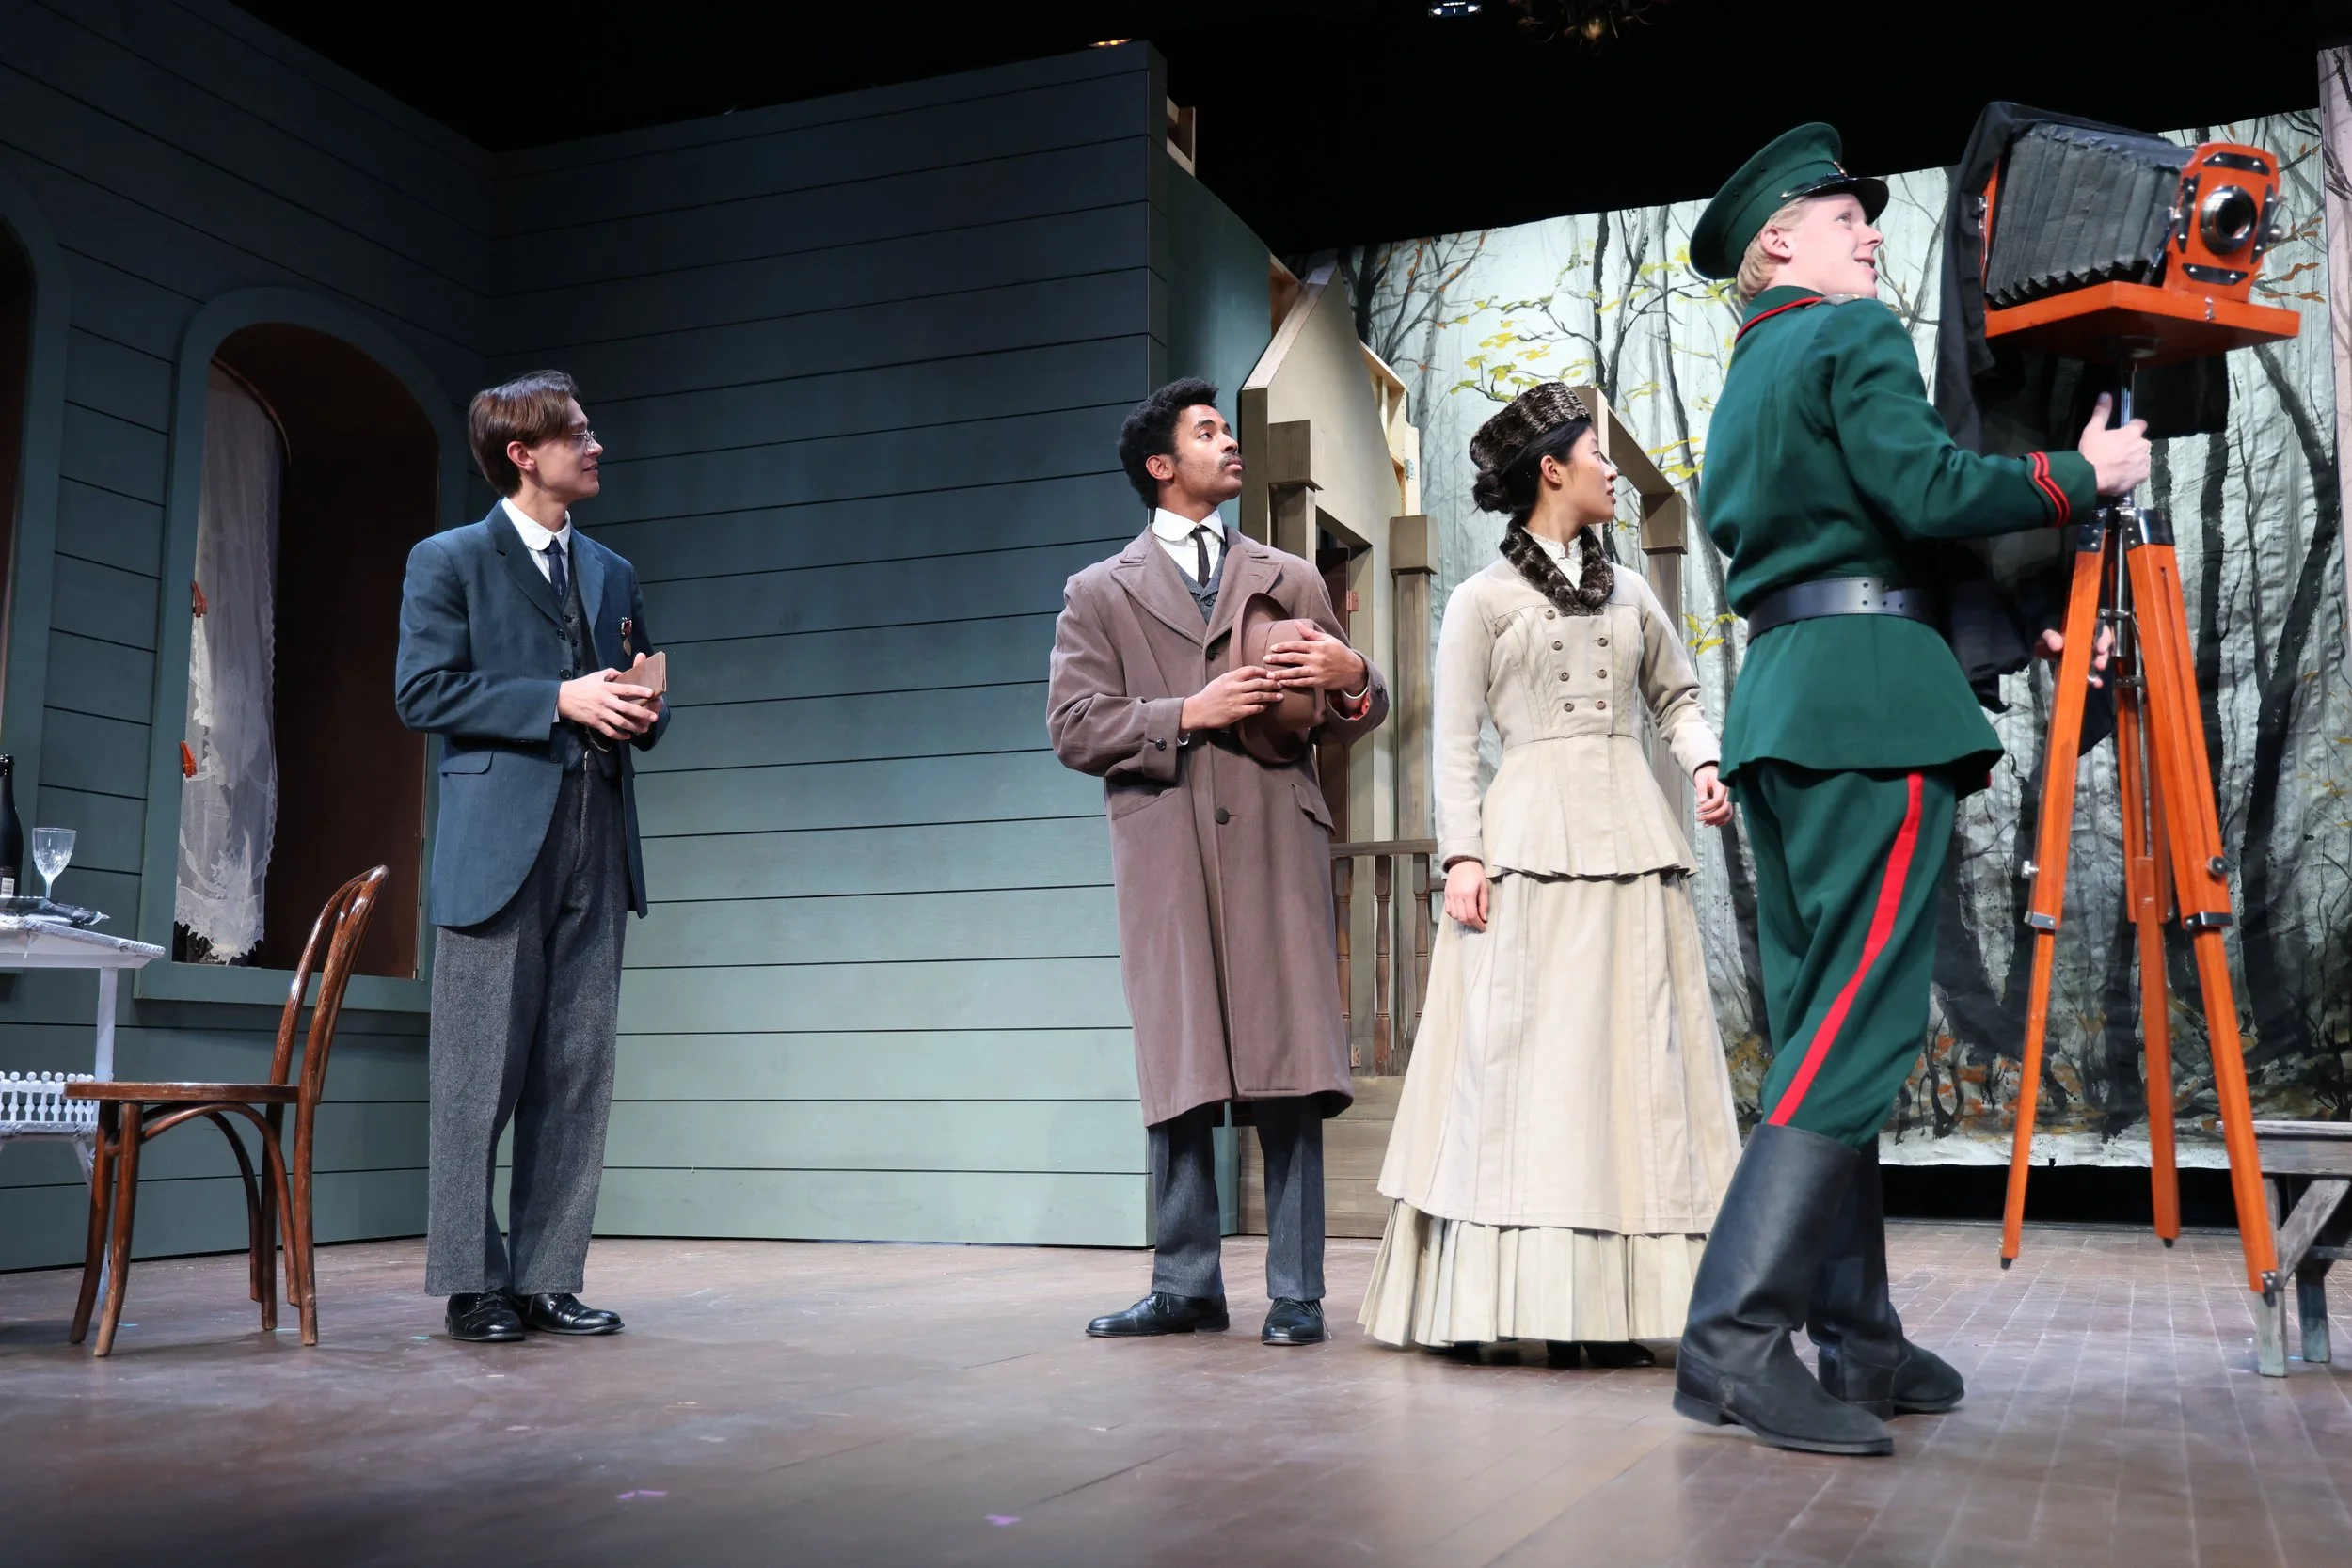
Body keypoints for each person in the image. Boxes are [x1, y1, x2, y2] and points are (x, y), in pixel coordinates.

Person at [1676, 124, 2150, 1454]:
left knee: (1818, 1023)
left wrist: (2010, 608)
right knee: (1859, 1032)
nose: (1871, 236)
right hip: (1868, 708)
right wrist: (2079, 477)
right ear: (1782, 240)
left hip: (1785, 701)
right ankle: (1733, 1344)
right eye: (1844, 219)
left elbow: (1850, 527)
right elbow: (1923, 485)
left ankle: (1860, 1338)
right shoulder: (1851, 336)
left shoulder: (1751, 370)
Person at [1359, 384, 1741, 1368]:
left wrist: (1703, 762)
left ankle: (1616, 1309)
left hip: (1627, 839)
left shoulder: (1629, 590)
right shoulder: (1482, 600)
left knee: (1626, 1069)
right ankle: (1495, 1296)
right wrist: (1464, 856)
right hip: (1525, 847)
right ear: (1552, 469)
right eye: (1599, 454)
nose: (1614, 470)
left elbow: (1677, 694)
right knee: (1519, 1072)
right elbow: (1450, 747)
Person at [1047, 377, 1389, 1347]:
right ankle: (1185, 1281)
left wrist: (1353, 676)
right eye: (1207, 433)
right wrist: (1184, 714)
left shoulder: (1290, 575)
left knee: (1288, 1061)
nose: (1228, 444)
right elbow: (1073, 727)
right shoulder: (1098, 593)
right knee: (1182, 1060)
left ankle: (1296, 1289)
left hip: (1276, 832)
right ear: (1161, 466)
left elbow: (1360, 708)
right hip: (1167, 839)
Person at [395, 371, 668, 1344]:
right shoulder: (450, 560)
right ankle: (476, 1281)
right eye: (577, 433)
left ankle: (550, 1273)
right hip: (499, 836)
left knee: (575, 1062)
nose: (595, 446)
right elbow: (422, 692)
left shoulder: (611, 569)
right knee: (478, 1071)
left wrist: (638, 704)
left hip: (597, 825)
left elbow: (643, 684)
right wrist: (556, 699)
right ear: (523, 452)